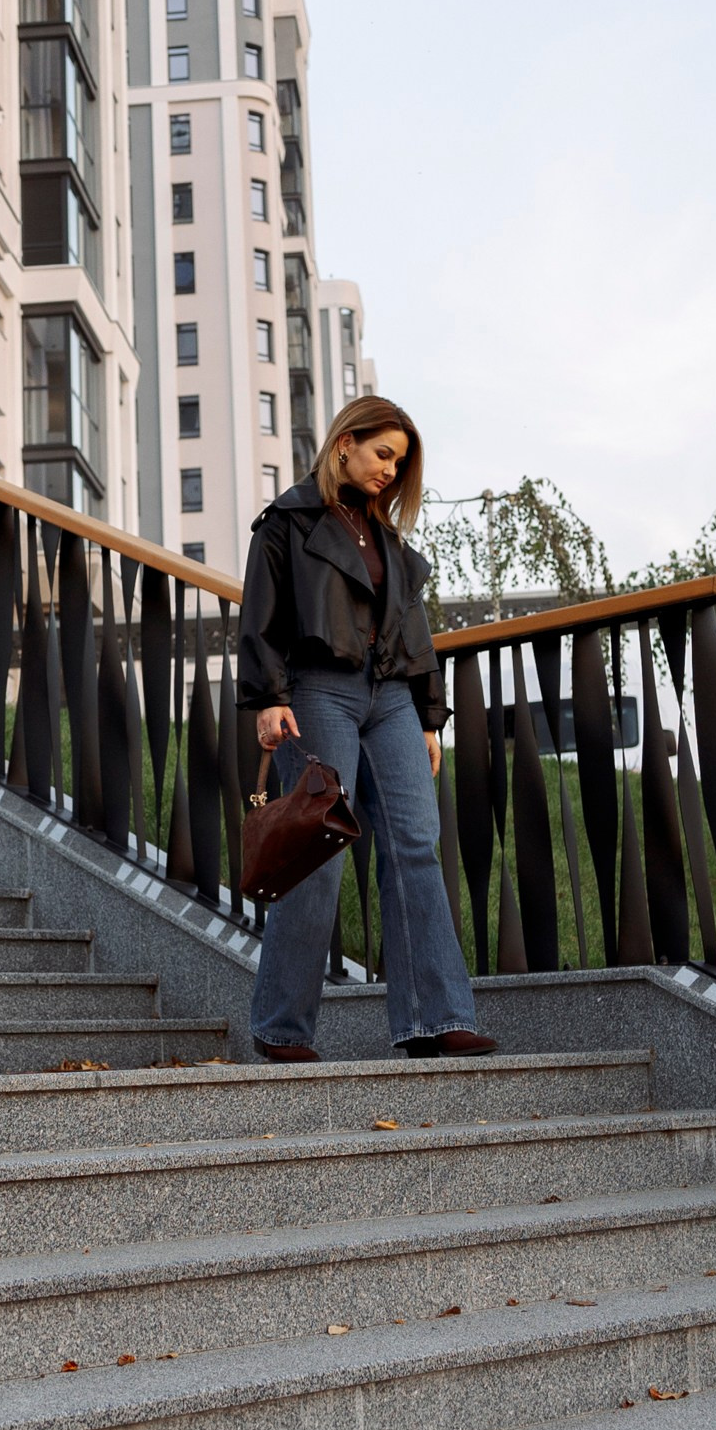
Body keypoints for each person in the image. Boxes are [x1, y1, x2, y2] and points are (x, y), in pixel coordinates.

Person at [237, 395, 496, 1064]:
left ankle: (434, 1020)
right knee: (317, 847)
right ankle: (282, 1026)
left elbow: (414, 630)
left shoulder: (391, 544)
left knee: (415, 844)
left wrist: (430, 719)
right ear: (344, 442)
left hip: (392, 701)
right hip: (318, 688)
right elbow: (259, 616)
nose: (389, 470)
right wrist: (269, 695)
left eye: (399, 462)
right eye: (382, 454)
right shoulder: (287, 523)